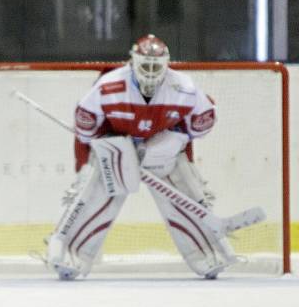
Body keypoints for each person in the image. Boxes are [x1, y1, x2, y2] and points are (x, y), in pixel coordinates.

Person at [46, 34, 237, 280]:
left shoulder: (184, 88)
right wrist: (104, 150)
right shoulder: (108, 86)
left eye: (156, 66)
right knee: (94, 197)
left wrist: (174, 139)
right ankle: (70, 257)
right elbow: (85, 128)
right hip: (119, 149)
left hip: (162, 150)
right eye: (145, 65)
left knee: (185, 195)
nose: (150, 71)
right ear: (132, 62)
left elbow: (201, 124)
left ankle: (209, 255)